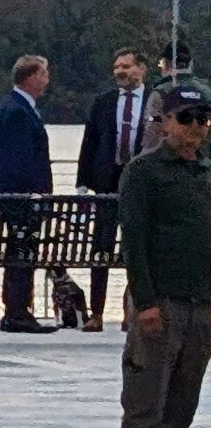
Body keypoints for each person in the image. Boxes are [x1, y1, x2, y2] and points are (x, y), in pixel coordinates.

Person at [108, 82, 211, 428]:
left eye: (202, 120)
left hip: (201, 305)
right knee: (146, 402)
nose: (195, 129)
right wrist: (144, 302)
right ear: (164, 122)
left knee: (180, 406)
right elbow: (135, 240)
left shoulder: (205, 172)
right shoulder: (144, 172)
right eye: (185, 119)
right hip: (161, 304)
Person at [83, 49, 155, 328]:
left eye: (125, 66)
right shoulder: (104, 102)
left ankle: (132, 310)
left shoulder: (154, 101)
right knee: (100, 246)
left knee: (135, 247)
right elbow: (90, 142)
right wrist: (83, 181)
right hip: (106, 183)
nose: (119, 72)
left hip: (139, 184)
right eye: (116, 67)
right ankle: (96, 313)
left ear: (142, 69)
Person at [0, 52, 56, 334]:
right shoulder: (18, 111)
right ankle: (18, 310)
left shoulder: (16, 107)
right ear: (31, 77)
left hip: (15, 193)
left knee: (19, 248)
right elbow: (20, 159)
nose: (47, 80)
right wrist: (34, 194)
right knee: (21, 249)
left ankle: (17, 309)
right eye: (43, 74)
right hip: (19, 196)